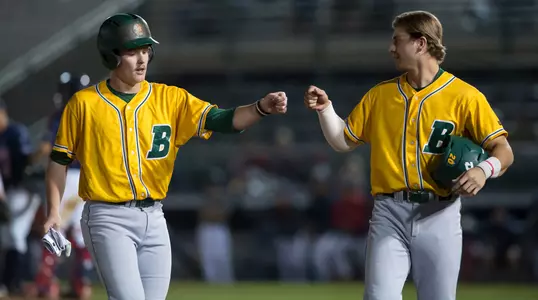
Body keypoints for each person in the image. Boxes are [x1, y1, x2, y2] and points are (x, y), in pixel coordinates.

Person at [42, 13, 287, 300]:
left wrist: (260, 107)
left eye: (146, 50)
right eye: (132, 52)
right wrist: (54, 212)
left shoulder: (170, 99)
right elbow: (59, 162)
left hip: (155, 217)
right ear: (112, 55)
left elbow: (222, 120)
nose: (142, 59)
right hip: (108, 217)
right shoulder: (84, 104)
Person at [304, 10, 514, 300]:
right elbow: (342, 140)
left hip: (440, 213)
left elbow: (503, 150)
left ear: (420, 43)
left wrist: (483, 170)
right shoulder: (380, 95)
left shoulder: (465, 96)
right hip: (389, 211)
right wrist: (325, 109)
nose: (391, 48)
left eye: (397, 40)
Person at [33, 72, 93, 300]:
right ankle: (81, 285)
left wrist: (32, 159)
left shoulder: (63, 114)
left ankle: (46, 286)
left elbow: (48, 148)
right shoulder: (93, 114)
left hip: (66, 178)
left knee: (53, 231)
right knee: (79, 236)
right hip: (87, 181)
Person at [0, 99, 40, 297]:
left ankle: (19, 281)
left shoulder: (16, 132)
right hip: (9, 193)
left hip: (25, 191)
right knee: (8, 237)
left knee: (15, 235)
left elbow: (26, 162)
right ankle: (13, 283)